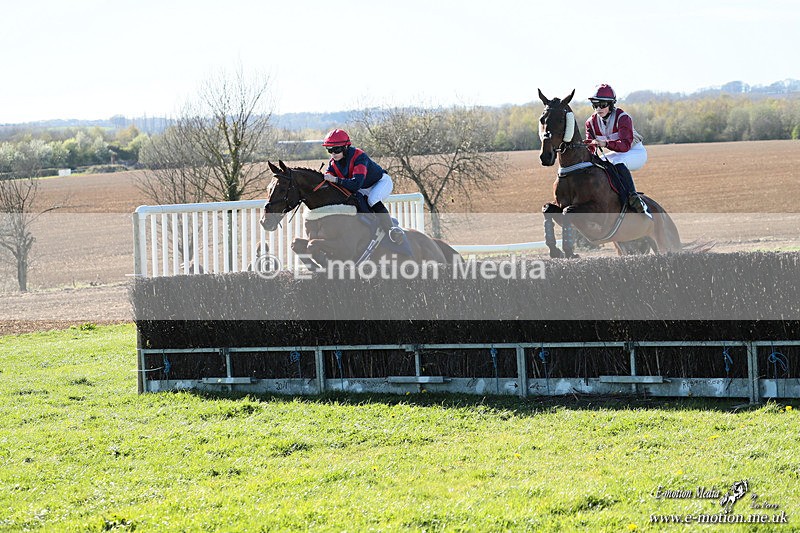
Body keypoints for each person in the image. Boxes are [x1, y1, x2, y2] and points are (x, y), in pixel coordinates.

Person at [321, 129, 404, 243]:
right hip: (363, 187)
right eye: (329, 150)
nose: (333, 153)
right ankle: (371, 227)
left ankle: (392, 230)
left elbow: (355, 184)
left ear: (345, 147)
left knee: (373, 199)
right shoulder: (333, 162)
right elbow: (328, 174)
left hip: (380, 182)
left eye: (336, 149)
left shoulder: (359, 157)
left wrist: (336, 179)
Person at [583, 84, 651, 217]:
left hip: (635, 152)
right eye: (595, 105)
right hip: (617, 153)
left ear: (611, 104)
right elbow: (591, 148)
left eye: (602, 104)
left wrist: (604, 143)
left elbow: (625, 146)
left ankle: (634, 198)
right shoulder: (590, 123)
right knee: (596, 165)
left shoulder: (623, 117)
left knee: (618, 162)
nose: (598, 108)